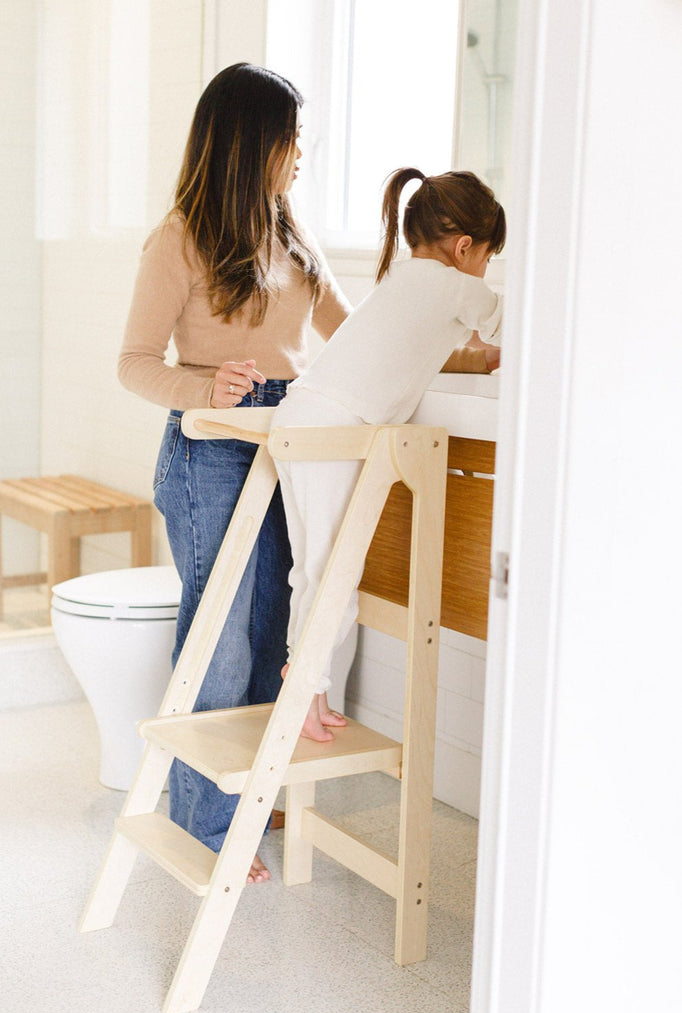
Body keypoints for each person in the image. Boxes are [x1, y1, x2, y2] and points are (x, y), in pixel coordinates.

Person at [118, 63, 352, 881]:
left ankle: (242, 799)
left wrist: (456, 348)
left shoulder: (292, 233)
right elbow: (135, 365)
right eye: (291, 139)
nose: (300, 156)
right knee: (218, 646)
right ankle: (203, 826)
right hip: (210, 449)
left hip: (288, 447)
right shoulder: (178, 238)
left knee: (266, 641)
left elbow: (349, 338)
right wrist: (204, 385)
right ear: (255, 142)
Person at [271, 167, 505, 741]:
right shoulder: (452, 283)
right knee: (337, 571)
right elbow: (521, 327)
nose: (484, 272)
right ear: (465, 246)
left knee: (312, 569)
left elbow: (412, 352)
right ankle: (304, 687)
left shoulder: (403, 280)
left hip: (299, 417)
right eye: (487, 259)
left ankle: (309, 689)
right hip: (333, 427)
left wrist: (475, 357)